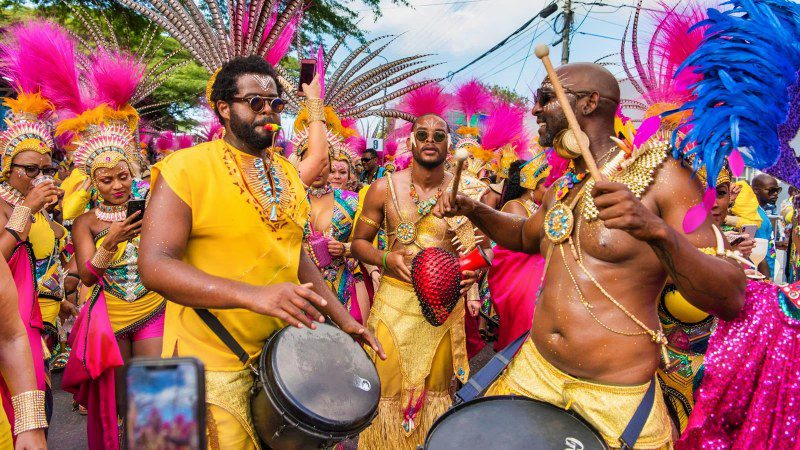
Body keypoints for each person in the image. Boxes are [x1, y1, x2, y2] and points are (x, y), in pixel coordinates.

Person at [435, 63, 746, 449]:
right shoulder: (564, 185)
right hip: (534, 374)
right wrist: (472, 208)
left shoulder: (663, 176)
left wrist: (657, 231)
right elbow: (524, 236)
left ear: (589, 104)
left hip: (615, 399)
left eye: (546, 98)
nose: (535, 111)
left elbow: (731, 294)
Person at [139, 56, 383, 449]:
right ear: (223, 107)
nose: (268, 110)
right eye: (255, 102)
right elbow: (154, 266)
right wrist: (255, 296)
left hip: (281, 362)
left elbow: (296, 256)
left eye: (276, 103)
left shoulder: (286, 172)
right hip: (207, 365)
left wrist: (343, 320)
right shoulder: (185, 168)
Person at [352, 113, 485, 450]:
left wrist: (471, 272)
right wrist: (386, 258)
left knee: (435, 393)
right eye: (422, 134)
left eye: (438, 136)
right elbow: (358, 244)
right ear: (411, 141)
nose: (430, 141)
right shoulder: (383, 187)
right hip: (393, 305)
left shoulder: (466, 192)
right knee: (386, 390)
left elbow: (482, 251)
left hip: (441, 309)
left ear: (448, 145)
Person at [656, 165, 755, 434]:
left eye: (720, 193)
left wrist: (741, 261)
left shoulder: (736, 248)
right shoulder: (659, 247)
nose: (711, 202)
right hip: (667, 388)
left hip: (727, 390)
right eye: (698, 192)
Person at [70, 125, 165, 383]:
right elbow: (88, 277)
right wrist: (111, 241)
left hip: (153, 306)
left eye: (123, 176)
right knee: (119, 396)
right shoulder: (85, 223)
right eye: (106, 180)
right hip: (111, 312)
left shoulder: (153, 210)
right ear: (94, 182)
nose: (117, 186)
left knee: (152, 387)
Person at [486, 152, 552, 350]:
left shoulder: (536, 207)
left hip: (536, 273)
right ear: (532, 187)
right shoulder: (515, 206)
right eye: (546, 185)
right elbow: (526, 244)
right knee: (525, 326)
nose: (550, 190)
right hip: (518, 276)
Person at [301, 142, 371, 324]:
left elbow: (368, 244)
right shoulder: (289, 200)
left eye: (323, 164)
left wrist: (345, 248)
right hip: (298, 285)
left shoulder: (354, 201)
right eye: (309, 162)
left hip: (343, 283)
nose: (316, 169)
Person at [751, 173, 779, 277]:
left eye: (777, 190)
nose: (776, 194)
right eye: (771, 190)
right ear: (756, 190)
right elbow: (759, 255)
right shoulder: (757, 216)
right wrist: (767, 282)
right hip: (762, 275)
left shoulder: (760, 211)